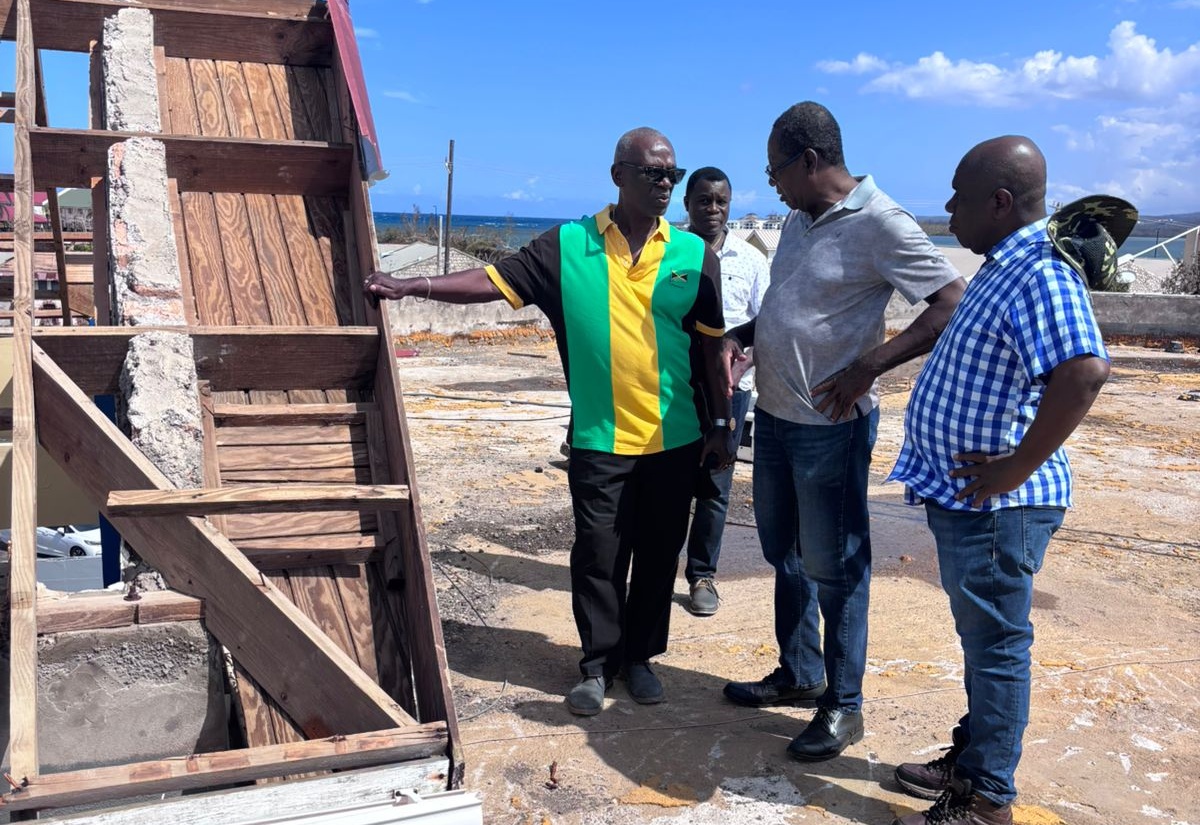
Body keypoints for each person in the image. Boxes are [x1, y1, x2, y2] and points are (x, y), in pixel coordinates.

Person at [364, 127, 735, 717]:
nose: (666, 183)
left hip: (676, 437)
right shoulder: (567, 246)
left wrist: (722, 426)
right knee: (598, 555)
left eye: (671, 174)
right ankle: (596, 664)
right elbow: (492, 281)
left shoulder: (694, 255)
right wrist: (413, 285)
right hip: (599, 438)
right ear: (618, 175)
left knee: (660, 552)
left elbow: (713, 349)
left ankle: (640, 659)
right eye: (652, 173)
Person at [719, 101, 966, 762]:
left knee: (837, 566)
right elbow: (789, 303)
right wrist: (748, 336)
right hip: (773, 415)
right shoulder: (800, 221)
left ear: (810, 160)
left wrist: (868, 367)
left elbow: (948, 301)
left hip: (830, 428)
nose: (770, 181)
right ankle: (800, 672)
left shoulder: (881, 223)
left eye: (776, 168)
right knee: (784, 551)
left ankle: (844, 705)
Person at [888, 137, 1119, 825]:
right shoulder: (1003, 264)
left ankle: (987, 798)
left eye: (959, 194)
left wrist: (1017, 465)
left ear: (1000, 201)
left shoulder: (1041, 271)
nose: (948, 206)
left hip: (1001, 504)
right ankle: (976, 756)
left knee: (997, 646)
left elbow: (1084, 370)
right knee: (984, 641)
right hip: (975, 499)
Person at [679, 167, 769, 617]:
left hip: (732, 393)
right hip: (676, 389)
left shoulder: (751, 262)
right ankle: (655, 573)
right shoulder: (673, 254)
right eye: (703, 201)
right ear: (687, 205)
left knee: (715, 483)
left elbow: (766, 323)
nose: (712, 210)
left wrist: (741, 362)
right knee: (670, 480)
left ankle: (702, 576)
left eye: (721, 202)